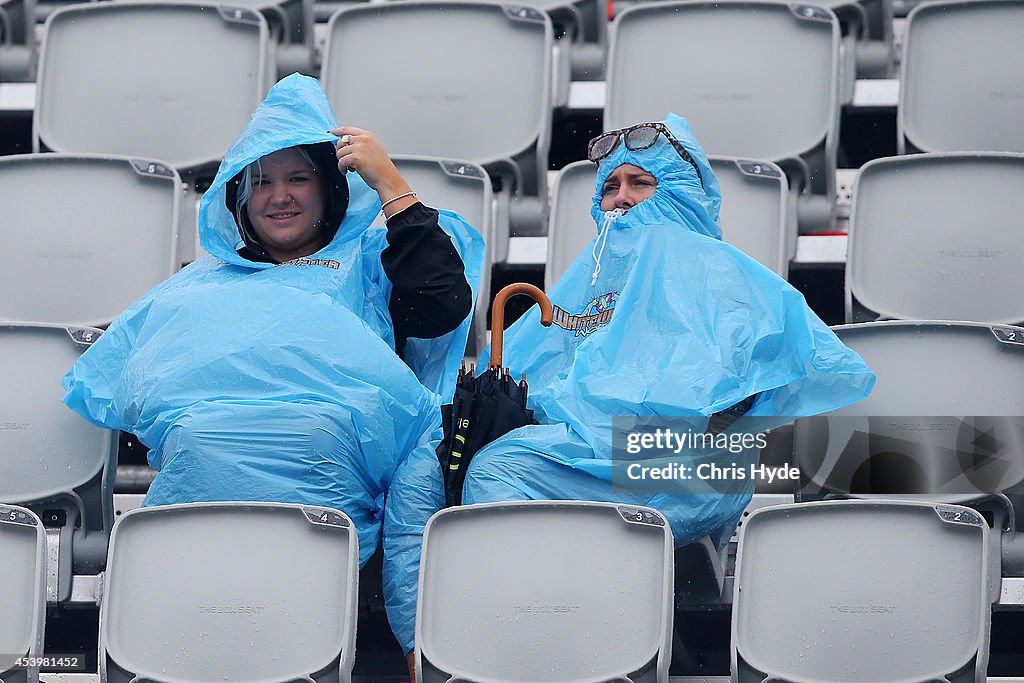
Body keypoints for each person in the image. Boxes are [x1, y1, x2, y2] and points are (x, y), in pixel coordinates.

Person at [382, 114, 875, 675]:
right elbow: (535, 372)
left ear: (682, 193)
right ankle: (425, 654)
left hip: (684, 462)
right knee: (428, 463)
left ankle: (527, 650)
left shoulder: (719, 272)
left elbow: (745, 400)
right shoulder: (588, 281)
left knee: (500, 468)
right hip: (579, 453)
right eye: (609, 187)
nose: (620, 199)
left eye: (640, 183)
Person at [61, 74, 485, 567]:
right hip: (203, 459)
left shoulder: (373, 264)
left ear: (329, 189)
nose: (279, 196)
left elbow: (442, 301)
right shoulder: (201, 282)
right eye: (261, 182)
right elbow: (121, 379)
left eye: (297, 179)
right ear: (238, 197)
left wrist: (390, 184)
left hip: (328, 460)